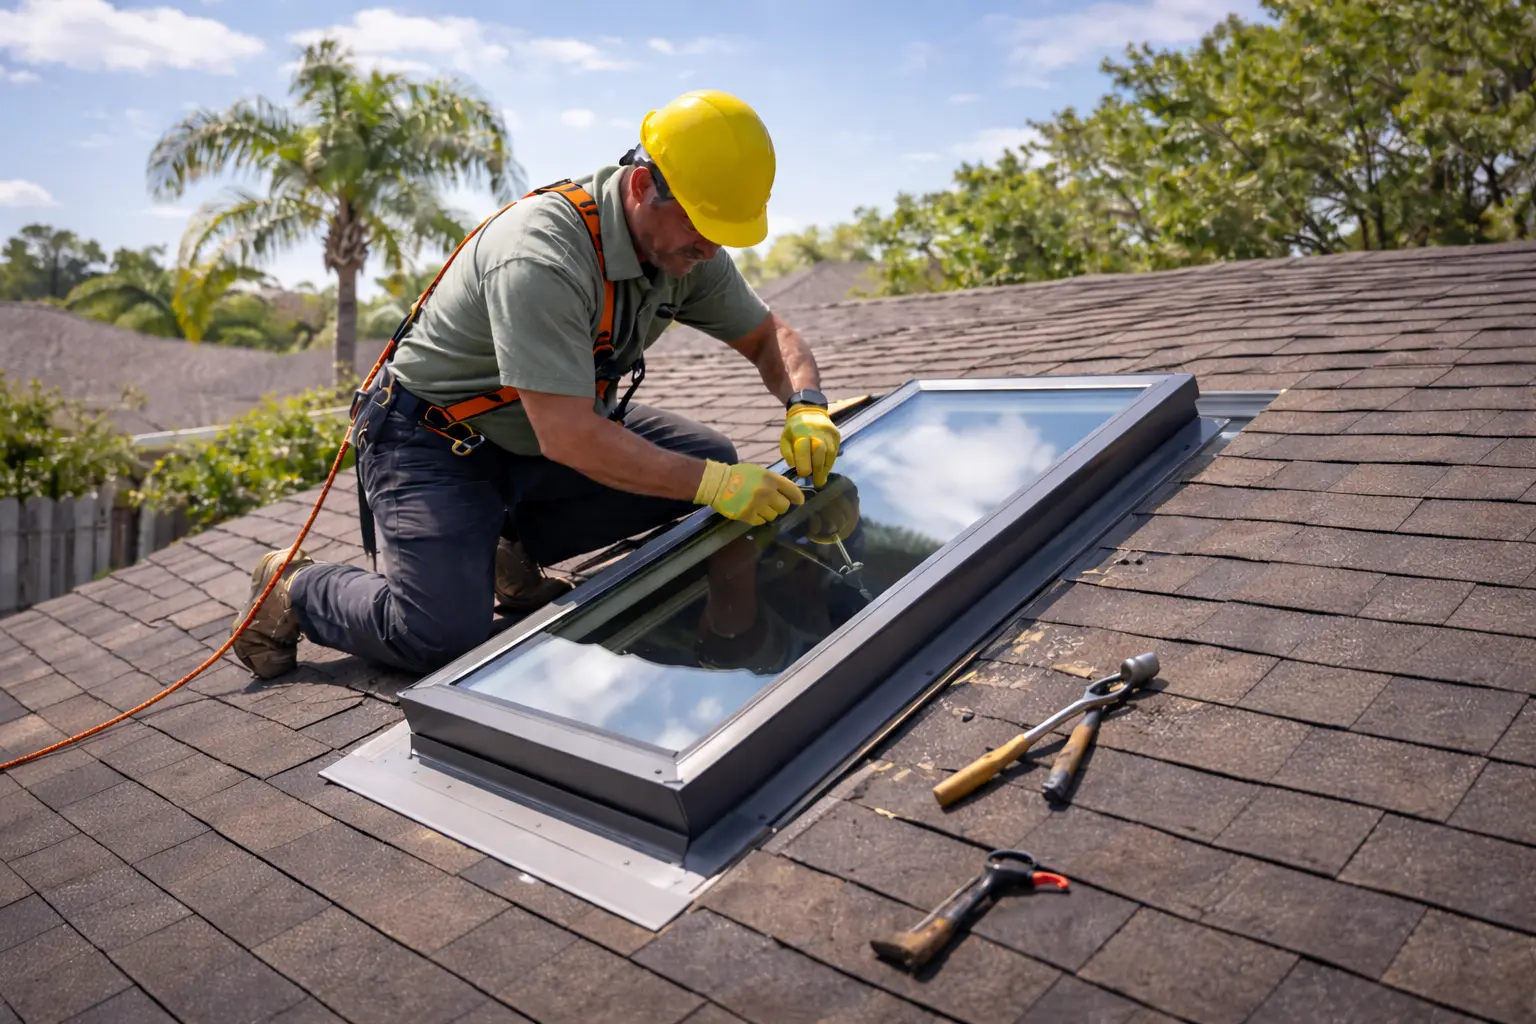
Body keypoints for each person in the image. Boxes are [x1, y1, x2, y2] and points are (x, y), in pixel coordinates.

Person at [229, 90, 849, 679]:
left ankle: (503, 547)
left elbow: (771, 338)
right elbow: (571, 437)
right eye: (702, 227)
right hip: (433, 441)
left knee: (706, 457)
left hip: (533, 436)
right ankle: (295, 588)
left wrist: (807, 406)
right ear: (641, 187)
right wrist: (718, 486)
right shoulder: (541, 255)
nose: (712, 250)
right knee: (440, 637)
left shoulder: (688, 251)